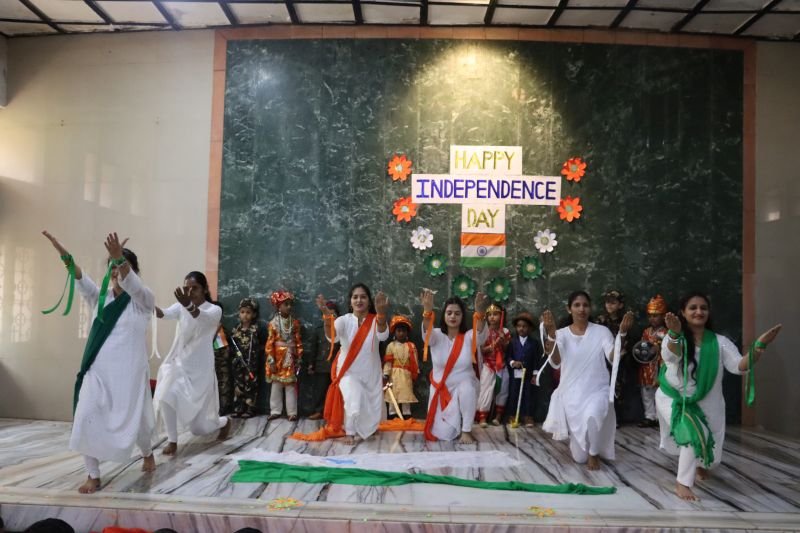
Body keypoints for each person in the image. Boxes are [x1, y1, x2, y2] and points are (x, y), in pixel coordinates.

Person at [42, 230, 156, 494]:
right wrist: (63, 253)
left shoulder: (143, 300)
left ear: (133, 271)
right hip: (98, 374)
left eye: (121, 267)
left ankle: (148, 453)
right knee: (86, 416)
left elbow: (135, 286)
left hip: (129, 376)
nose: (116, 272)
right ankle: (93, 474)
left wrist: (120, 260)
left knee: (138, 422)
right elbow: (79, 277)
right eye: (112, 268)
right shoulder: (99, 298)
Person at [657, 292, 781, 501]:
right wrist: (675, 334)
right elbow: (671, 355)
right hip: (674, 398)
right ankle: (682, 484)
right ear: (683, 312)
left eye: (703, 308)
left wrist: (760, 345)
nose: (699, 311)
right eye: (693, 308)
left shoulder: (720, 342)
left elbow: (739, 366)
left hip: (709, 400)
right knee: (693, 434)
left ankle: (700, 465)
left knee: (708, 444)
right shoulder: (674, 337)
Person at [542, 291, 633, 470]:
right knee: (579, 458)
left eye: (585, 305)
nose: (581, 309)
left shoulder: (601, 331)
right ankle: (584, 448)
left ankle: (594, 453)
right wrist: (551, 335)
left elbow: (613, 357)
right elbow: (555, 362)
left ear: (590, 308)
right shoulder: (561, 334)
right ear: (569, 309)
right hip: (572, 395)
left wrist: (622, 334)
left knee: (593, 416)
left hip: (597, 390)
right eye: (577, 305)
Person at [293, 284, 390, 443]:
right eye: (355, 297)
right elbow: (332, 336)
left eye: (363, 297)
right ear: (350, 301)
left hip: (370, 372)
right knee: (353, 397)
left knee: (369, 406)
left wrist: (381, 314)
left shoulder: (375, 320)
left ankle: (366, 429)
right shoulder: (343, 320)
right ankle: (350, 432)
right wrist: (326, 316)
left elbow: (383, 335)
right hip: (347, 371)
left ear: (369, 301)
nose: (359, 300)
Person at [154, 271, 231, 456]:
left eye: (194, 288)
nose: (190, 292)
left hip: (201, 370)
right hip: (179, 365)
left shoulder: (214, 310)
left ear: (204, 289)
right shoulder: (181, 307)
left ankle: (224, 422)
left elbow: (202, 318)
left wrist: (187, 305)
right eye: (187, 288)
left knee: (199, 429)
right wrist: (143, 300)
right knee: (165, 395)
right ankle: (172, 441)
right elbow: (163, 314)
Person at [420, 289, 489, 443]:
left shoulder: (469, 336)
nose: (453, 316)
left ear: (463, 316)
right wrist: (427, 311)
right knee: (442, 435)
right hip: (441, 390)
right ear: (444, 315)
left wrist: (480, 313)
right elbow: (426, 335)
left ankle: (466, 430)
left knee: (467, 387)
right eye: (449, 313)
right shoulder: (436, 335)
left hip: (464, 388)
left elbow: (481, 335)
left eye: (457, 313)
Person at [597, 289, 640, 425]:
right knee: (602, 387)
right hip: (603, 360)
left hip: (621, 360)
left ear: (620, 305)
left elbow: (630, 339)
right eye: (607, 302)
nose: (609, 305)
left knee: (618, 388)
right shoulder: (600, 320)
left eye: (613, 302)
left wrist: (621, 354)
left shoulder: (625, 321)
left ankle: (615, 417)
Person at [265, 290, 303, 421]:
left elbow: (298, 341)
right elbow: (269, 343)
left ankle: (292, 412)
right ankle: (275, 410)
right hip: (277, 358)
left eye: (290, 304)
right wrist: (271, 360)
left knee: (290, 385)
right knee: (276, 384)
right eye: (286, 304)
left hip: (290, 357)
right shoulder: (273, 323)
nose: (289, 307)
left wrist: (299, 356)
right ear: (278, 306)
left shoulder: (295, 323)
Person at [230, 298, 267, 419]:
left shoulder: (256, 329)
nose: (245, 315)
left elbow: (263, 344)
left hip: (252, 364)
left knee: (251, 385)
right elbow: (232, 346)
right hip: (238, 363)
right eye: (242, 312)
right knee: (238, 385)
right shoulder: (236, 329)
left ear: (254, 314)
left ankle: (250, 408)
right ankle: (238, 407)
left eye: (248, 312)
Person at [505, 311, 542, 427]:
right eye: (519, 326)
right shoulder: (512, 342)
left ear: (530, 328)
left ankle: (528, 417)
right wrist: (512, 363)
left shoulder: (534, 343)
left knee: (528, 395)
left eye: (524, 326)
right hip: (515, 374)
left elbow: (536, 360)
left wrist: (535, 375)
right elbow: (508, 356)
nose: (521, 329)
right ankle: (512, 415)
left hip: (528, 374)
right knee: (514, 394)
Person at [476, 303, 510, 427]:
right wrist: (492, 346)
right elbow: (482, 350)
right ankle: (482, 417)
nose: (492, 317)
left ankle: (498, 417)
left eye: (495, 314)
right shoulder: (484, 331)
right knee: (485, 390)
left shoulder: (505, 331)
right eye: (489, 315)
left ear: (501, 316)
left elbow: (508, 349)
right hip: (488, 365)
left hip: (502, 366)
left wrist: (503, 341)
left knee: (503, 390)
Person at [637, 294, 668, 428]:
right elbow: (641, 347)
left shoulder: (666, 332)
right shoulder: (646, 331)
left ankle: (661, 417)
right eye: (650, 316)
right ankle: (649, 416)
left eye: (655, 316)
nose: (652, 319)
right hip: (646, 366)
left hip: (661, 366)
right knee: (646, 392)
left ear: (663, 316)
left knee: (661, 392)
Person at [306, 300, 339, 420]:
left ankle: (333, 412)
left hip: (337, 366)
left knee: (335, 391)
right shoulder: (318, 330)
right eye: (327, 314)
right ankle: (318, 411)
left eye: (333, 314)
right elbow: (313, 348)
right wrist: (311, 364)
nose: (331, 317)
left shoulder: (340, 331)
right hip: (321, 365)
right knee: (319, 390)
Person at [382, 315, 419, 418]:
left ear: (407, 332)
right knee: (393, 394)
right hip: (393, 375)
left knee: (406, 394)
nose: (401, 333)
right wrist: (386, 374)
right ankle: (392, 414)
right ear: (394, 332)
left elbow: (415, 361)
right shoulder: (391, 346)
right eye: (399, 331)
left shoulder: (411, 346)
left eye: (403, 331)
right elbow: (388, 362)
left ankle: (406, 414)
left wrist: (415, 373)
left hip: (406, 375)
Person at [212, 301, 233, 415]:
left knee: (223, 385)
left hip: (221, 364)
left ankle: (223, 407)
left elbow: (225, 352)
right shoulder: (205, 328)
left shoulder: (221, 329)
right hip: (209, 365)